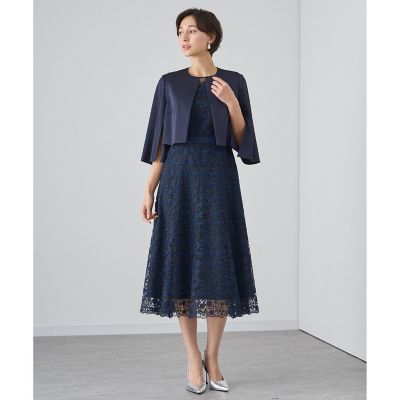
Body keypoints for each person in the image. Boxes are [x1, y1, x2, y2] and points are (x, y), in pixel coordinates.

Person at [139, 8, 260, 394]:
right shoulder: (168, 83)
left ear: (211, 36)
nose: (184, 37)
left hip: (219, 179)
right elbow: (161, 144)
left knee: (218, 266)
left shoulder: (234, 81)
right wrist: (149, 189)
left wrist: (232, 104)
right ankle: (193, 358)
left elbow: (243, 142)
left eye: (191, 31)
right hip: (178, 180)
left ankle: (213, 356)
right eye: (180, 31)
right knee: (182, 265)